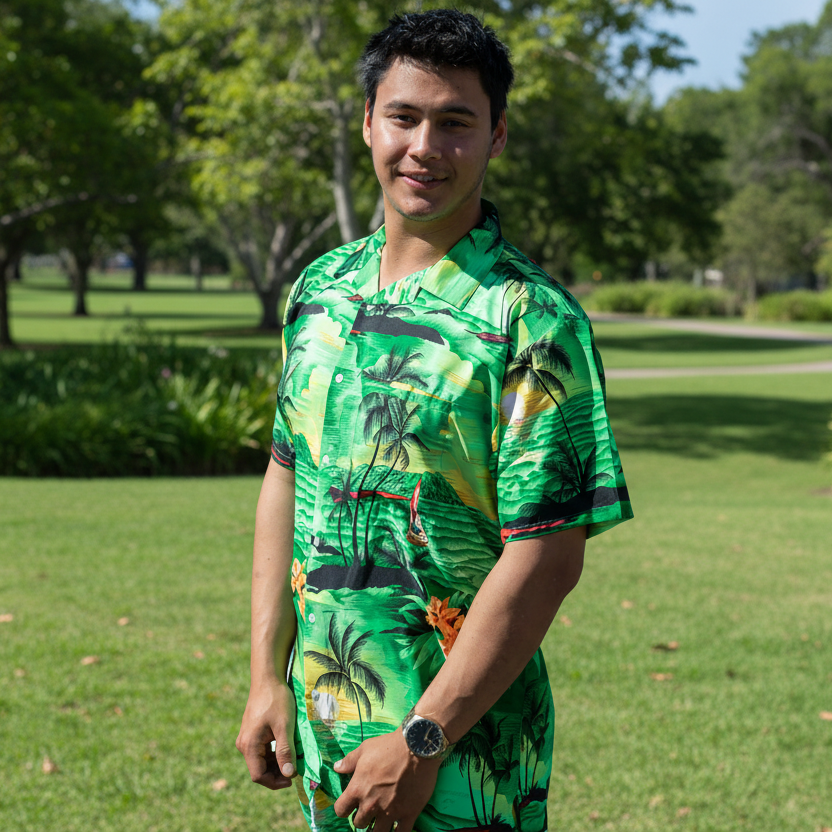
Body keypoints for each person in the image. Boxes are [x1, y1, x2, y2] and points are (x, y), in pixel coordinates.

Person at [236, 9, 632, 832]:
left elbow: (548, 558)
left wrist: (421, 739)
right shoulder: (320, 290)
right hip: (323, 723)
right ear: (369, 123)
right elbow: (286, 473)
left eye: (457, 123)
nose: (425, 147)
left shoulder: (532, 321)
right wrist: (264, 678)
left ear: (497, 139)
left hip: (461, 748)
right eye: (404, 117)